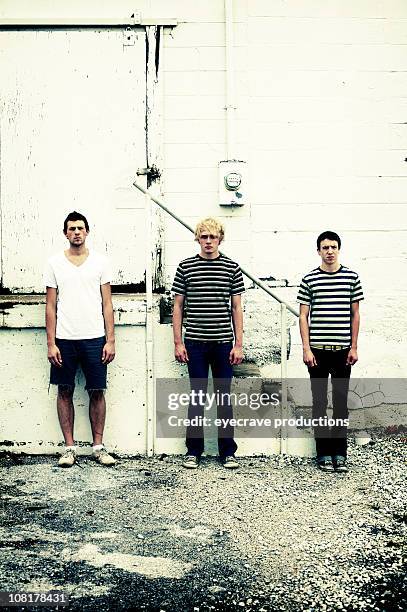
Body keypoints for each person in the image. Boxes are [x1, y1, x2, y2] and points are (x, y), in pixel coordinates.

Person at [44, 211, 116, 468]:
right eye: (71, 228)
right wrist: (51, 343)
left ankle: (98, 446)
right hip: (64, 339)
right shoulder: (54, 263)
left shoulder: (100, 262)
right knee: (65, 391)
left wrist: (111, 340)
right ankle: (69, 448)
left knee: (97, 390)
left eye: (80, 228)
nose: (76, 232)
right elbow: (50, 306)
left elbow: (107, 304)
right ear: (65, 233)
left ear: (87, 232)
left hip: (95, 338)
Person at [172, 217, 245, 469]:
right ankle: (194, 451)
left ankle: (228, 452)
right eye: (204, 236)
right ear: (197, 239)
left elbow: (236, 307)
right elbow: (178, 306)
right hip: (195, 343)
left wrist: (239, 344)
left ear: (220, 239)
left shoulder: (232, 268)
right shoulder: (185, 267)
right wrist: (178, 342)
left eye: (213, 237)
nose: (209, 241)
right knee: (197, 397)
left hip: (224, 342)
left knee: (224, 398)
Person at [297, 231, 364, 473]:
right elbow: (303, 316)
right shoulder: (309, 280)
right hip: (317, 352)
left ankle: (340, 453)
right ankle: (323, 453)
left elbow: (355, 314)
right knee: (319, 403)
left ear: (339, 249)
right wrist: (306, 348)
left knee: (340, 403)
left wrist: (354, 346)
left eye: (333, 247)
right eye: (325, 247)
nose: (329, 251)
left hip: (342, 352)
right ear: (318, 251)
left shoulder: (351, 278)